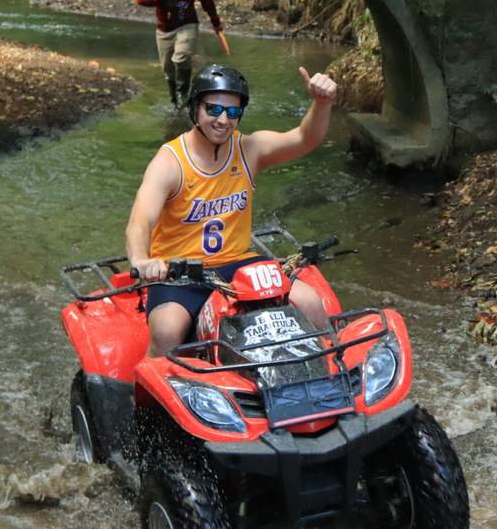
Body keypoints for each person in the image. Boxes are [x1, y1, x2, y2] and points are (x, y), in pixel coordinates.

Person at [126, 63, 338, 356]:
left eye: (233, 112)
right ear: (196, 108)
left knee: (312, 302)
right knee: (167, 330)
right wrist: (141, 258)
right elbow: (140, 219)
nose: (223, 120)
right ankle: (144, 397)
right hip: (181, 272)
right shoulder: (170, 161)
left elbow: (304, 138)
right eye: (213, 110)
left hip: (239, 263)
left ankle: (330, 375)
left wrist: (322, 102)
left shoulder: (250, 149)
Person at [135, 0, 223, 108]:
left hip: (187, 25)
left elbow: (206, 0)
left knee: (181, 58)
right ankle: (174, 101)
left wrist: (215, 21)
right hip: (164, 29)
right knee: (168, 70)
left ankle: (183, 94)